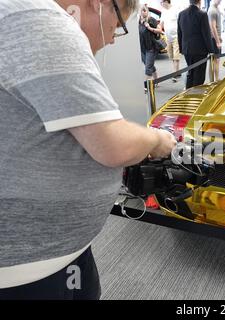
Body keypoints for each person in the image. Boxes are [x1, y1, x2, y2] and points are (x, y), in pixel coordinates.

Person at [0, 0, 176, 300]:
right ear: (99, 4)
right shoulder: (42, 21)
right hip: (27, 269)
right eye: (116, 27)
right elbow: (112, 144)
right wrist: (157, 139)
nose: (110, 39)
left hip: (59, 252)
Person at [178, 0, 214, 89]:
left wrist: (181, 48)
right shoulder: (202, 14)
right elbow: (206, 34)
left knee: (190, 72)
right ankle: (196, 96)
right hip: (200, 50)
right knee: (199, 75)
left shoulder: (181, 14)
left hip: (187, 49)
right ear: (199, 1)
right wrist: (211, 50)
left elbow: (179, 33)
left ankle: (188, 93)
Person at [139, 5, 163, 84]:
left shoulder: (151, 20)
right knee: (149, 65)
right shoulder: (139, 21)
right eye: (141, 10)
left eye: (144, 10)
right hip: (143, 48)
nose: (143, 12)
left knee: (148, 67)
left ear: (147, 11)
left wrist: (149, 28)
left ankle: (147, 85)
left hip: (151, 48)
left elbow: (160, 30)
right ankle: (157, 80)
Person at [160, 0, 181, 82]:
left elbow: (180, 22)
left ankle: (175, 74)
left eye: (162, 2)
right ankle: (177, 71)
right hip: (168, 37)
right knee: (171, 56)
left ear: (166, 1)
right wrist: (158, 29)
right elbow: (161, 23)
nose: (161, 4)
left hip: (176, 36)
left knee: (176, 56)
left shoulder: (175, 9)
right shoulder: (163, 12)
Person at [208, 0, 222, 81]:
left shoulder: (216, 8)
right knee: (214, 60)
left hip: (216, 38)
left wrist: (219, 37)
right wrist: (217, 41)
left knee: (216, 60)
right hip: (213, 39)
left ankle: (215, 79)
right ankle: (214, 80)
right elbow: (213, 27)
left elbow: (217, 25)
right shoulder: (212, 10)